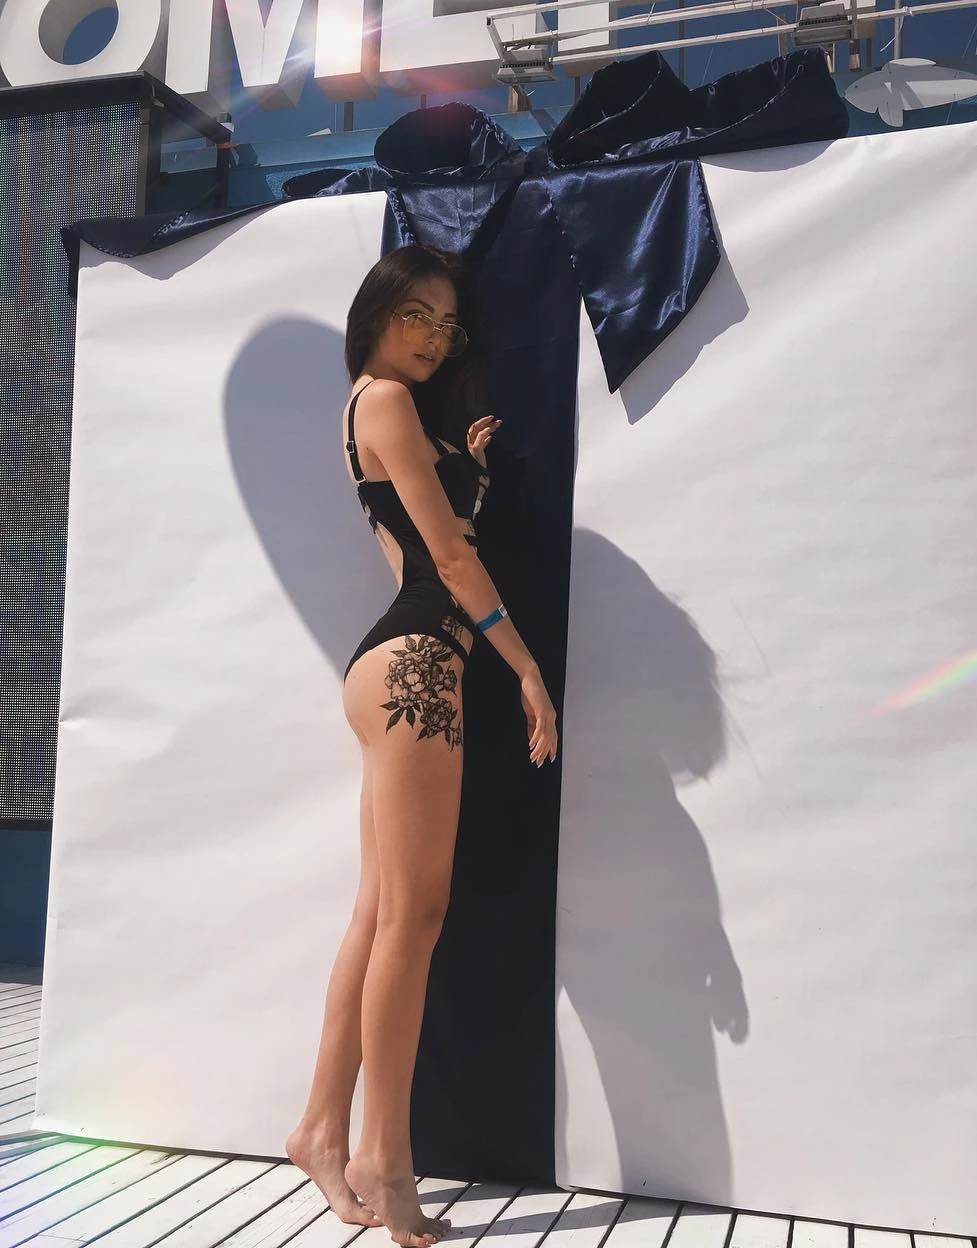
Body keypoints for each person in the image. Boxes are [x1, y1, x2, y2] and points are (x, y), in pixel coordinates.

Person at [285, 244, 559, 1247]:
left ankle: (321, 1129)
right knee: (415, 915)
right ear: (377, 311)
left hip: (399, 667)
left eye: (449, 325)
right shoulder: (388, 401)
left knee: (380, 913)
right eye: (418, 316)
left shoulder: (374, 410)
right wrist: (525, 668)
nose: (437, 338)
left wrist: (467, 475)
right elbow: (444, 557)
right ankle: (383, 1159)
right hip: (415, 667)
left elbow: (434, 533)